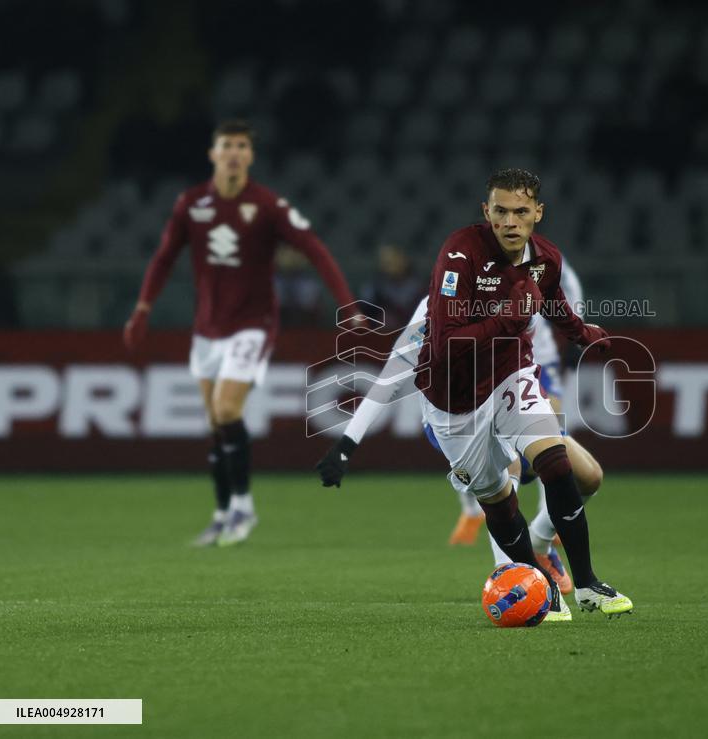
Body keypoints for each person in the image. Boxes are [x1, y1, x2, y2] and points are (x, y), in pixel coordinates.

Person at [322, 168, 632, 618]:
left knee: (556, 463)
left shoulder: (546, 259)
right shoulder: (460, 256)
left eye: (521, 211)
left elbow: (552, 303)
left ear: (537, 214)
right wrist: (347, 443)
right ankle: (538, 588)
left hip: (511, 376)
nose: (510, 221)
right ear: (486, 212)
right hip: (453, 402)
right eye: (501, 211)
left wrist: (583, 333)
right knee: (499, 500)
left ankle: (586, 585)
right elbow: (445, 344)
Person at [123, 120, 360, 547]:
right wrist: (142, 309)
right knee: (215, 422)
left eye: (241, 146)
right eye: (226, 145)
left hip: (253, 324)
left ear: (250, 156)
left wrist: (346, 301)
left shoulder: (267, 205)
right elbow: (162, 259)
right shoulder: (190, 203)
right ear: (213, 154)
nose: (233, 152)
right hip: (207, 327)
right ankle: (221, 513)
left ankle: (244, 509)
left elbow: (315, 250)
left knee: (227, 409)